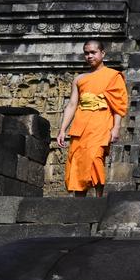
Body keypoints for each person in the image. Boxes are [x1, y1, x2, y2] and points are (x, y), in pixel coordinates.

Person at [56, 40, 128, 196]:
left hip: (101, 124)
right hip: (81, 125)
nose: (89, 56)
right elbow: (72, 105)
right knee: (78, 163)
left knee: (95, 159)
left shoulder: (113, 76)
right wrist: (62, 130)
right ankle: (79, 204)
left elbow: (119, 105)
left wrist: (116, 128)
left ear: (102, 53)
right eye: (86, 53)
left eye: (93, 52)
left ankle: (98, 200)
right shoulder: (79, 79)